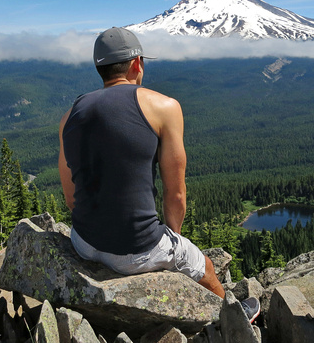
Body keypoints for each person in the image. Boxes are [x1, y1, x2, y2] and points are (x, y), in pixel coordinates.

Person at [58, 27, 259, 322]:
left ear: (100, 68)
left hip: (83, 242)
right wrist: (172, 238)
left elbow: (70, 196)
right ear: (137, 63)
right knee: (204, 265)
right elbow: (175, 192)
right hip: (136, 250)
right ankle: (232, 319)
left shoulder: (70, 115)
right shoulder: (164, 107)